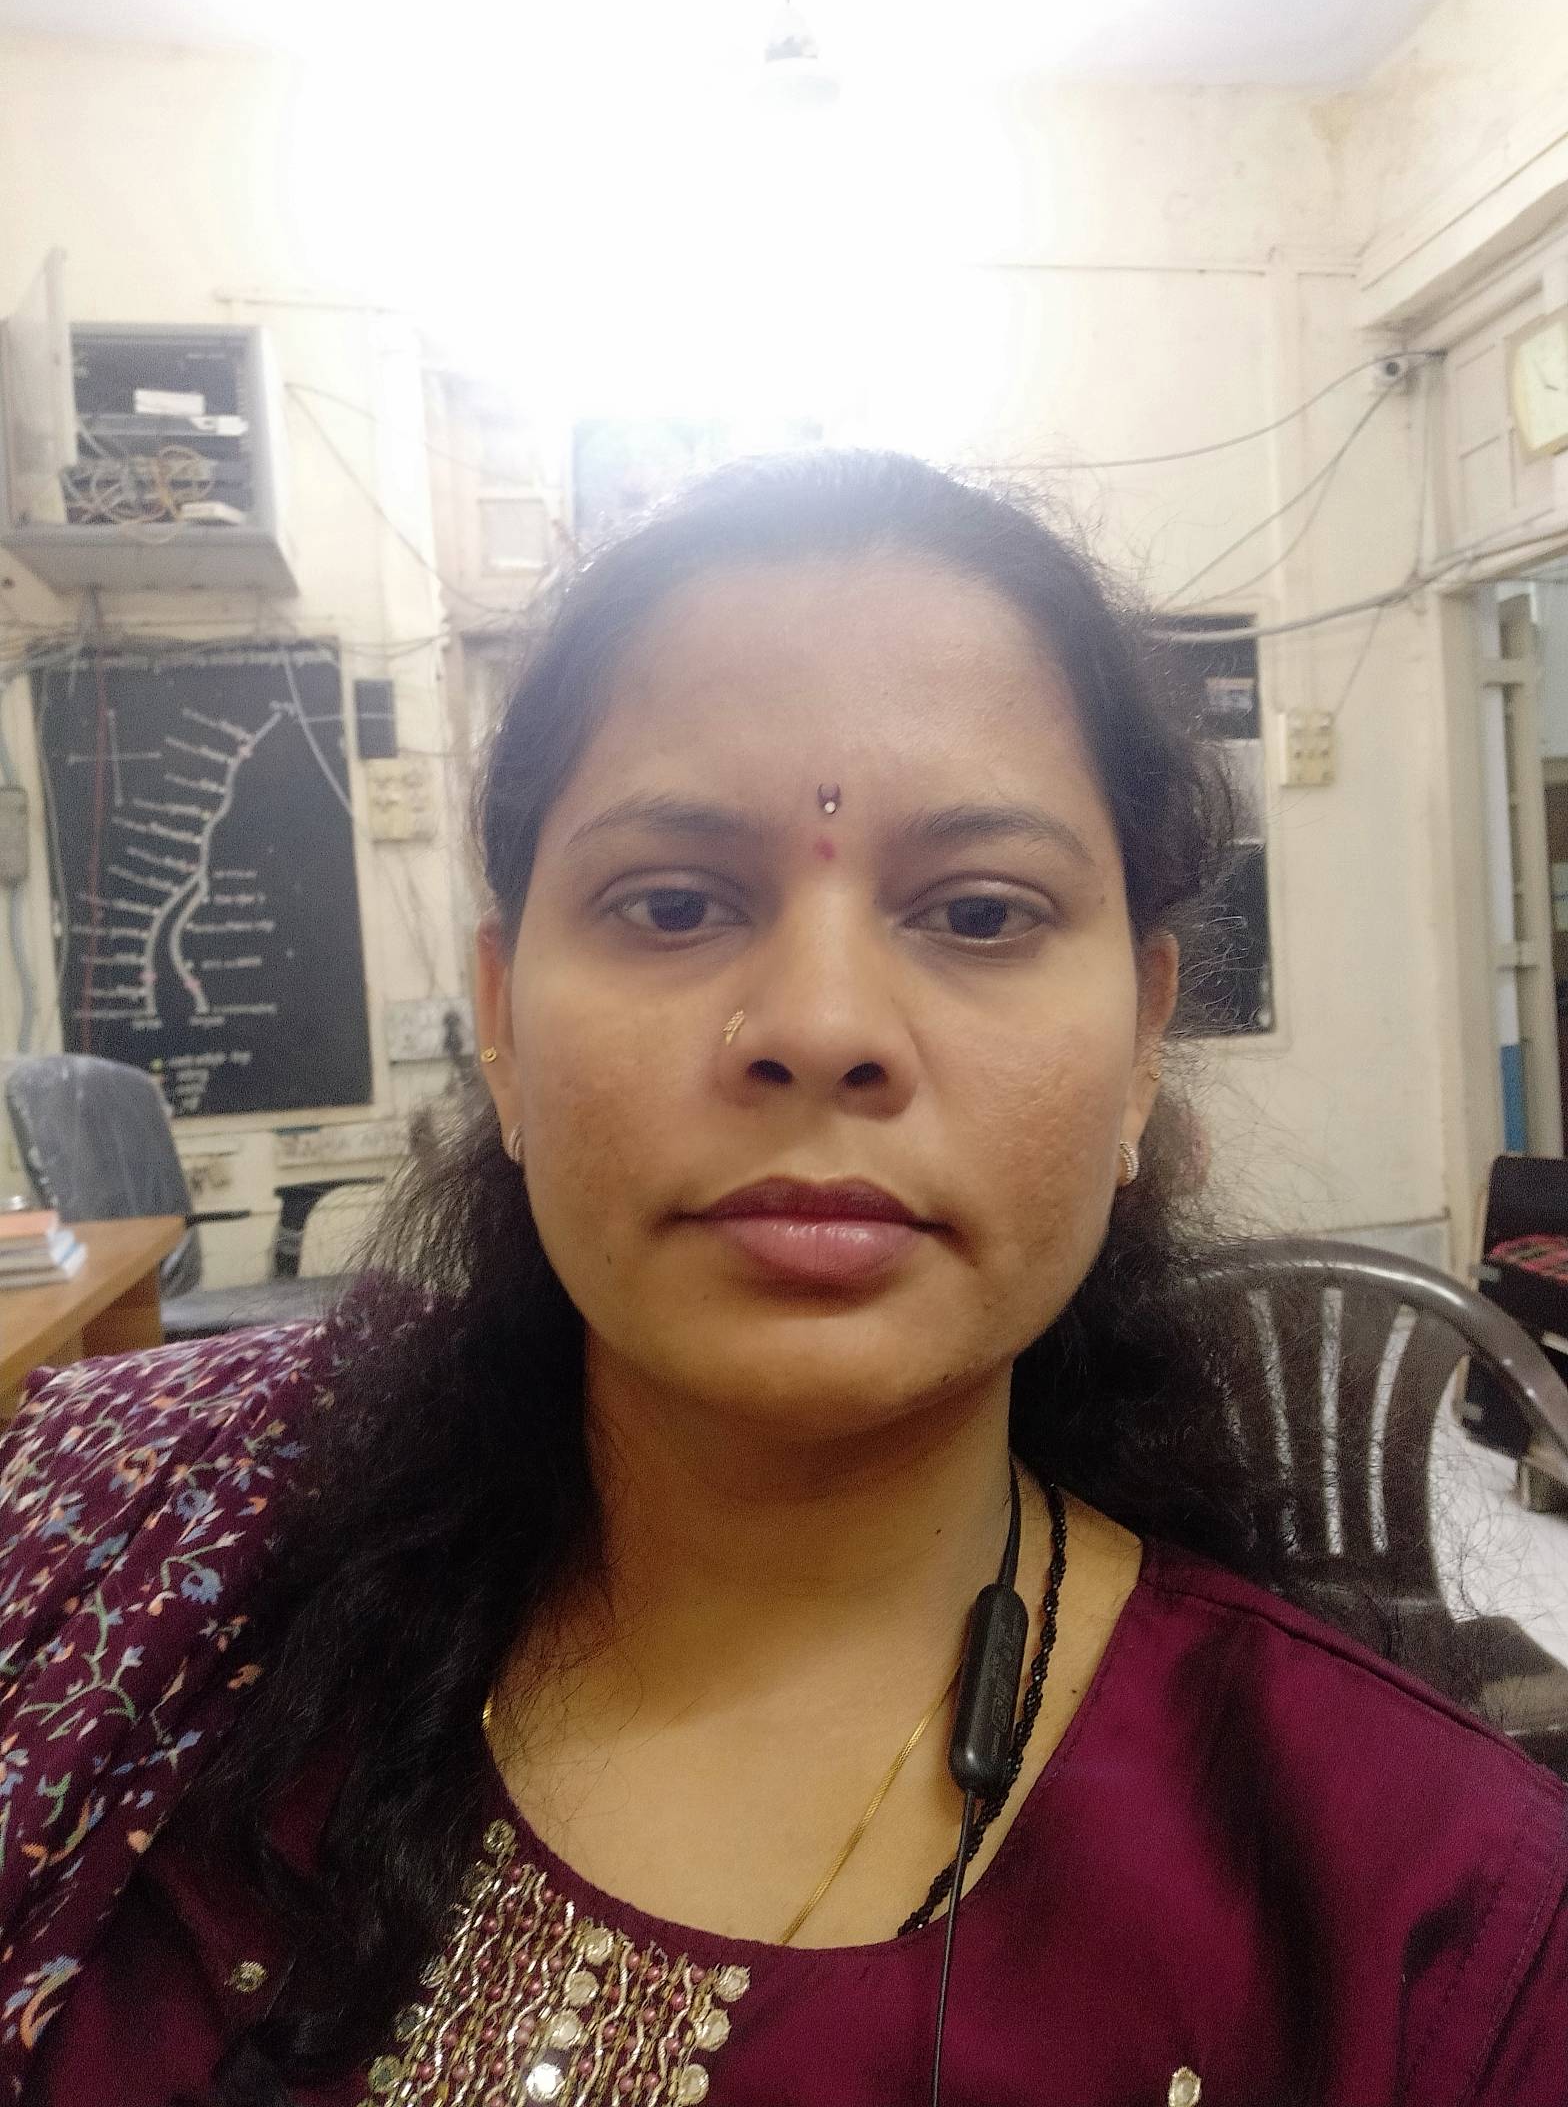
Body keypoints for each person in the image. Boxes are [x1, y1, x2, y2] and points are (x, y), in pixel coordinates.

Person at [1, 450, 1564, 2107]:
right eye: (674, 902)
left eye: (980, 912)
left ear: (1141, 1050)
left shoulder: (1445, 1928)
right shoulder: (126, 1558)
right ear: (506, 1026)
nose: (820, 1027)